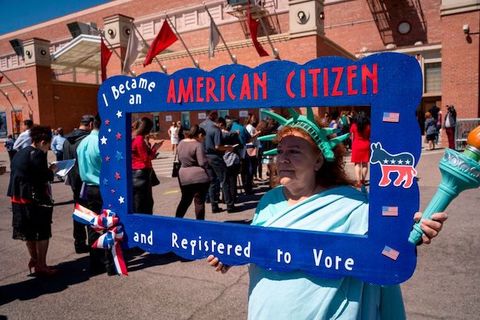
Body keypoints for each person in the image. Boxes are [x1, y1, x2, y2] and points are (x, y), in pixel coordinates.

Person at [208, 108, 447, 319]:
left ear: (318, 160)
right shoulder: (269, 201)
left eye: (294, 151)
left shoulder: (351, 205)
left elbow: (389, 249)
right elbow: (257, 246)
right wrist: (231, 254)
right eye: (280, 151)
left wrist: (415, 231)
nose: (283, 158)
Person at [7, 125, 58, 277]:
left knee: (28, 232)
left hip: (18, 197)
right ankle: (41, 264)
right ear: (43, 141)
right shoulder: (37, 154)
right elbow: (42, 177)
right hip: (33, 198)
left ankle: (34, 260)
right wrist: (52, 171)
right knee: (42, 232)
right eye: (48, 145)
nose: (48, 148)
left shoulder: (20, 152)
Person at [76, 114, 115, 275]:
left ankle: (95, 261)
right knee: (108, 224)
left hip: (87, 188)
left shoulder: (82, 143)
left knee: (93, 225)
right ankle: (108, 262)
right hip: (102, 187)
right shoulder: (102, 143)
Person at [63, 114, 94, 254]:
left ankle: (79, 242)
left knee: (79, 210)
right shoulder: (87, 139)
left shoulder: (66, 140)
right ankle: (93, 242)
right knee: (91, 211)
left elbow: (64, 162)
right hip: (86, 179)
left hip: (74, 180)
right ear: (91, 125)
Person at [200, 111, 233, 213]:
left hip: (204, 156)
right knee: (224, 180)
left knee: (212, 182)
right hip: (215, 156)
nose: (218, 116)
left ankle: (214, 206)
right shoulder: (215, 128)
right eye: (216, 114)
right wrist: (228, 148)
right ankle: (230, 206)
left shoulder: (201, 125)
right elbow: (217, 146)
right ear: (212, 115)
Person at [175, 125, 210, 219]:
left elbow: (179, 159)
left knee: (185, 200)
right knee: (199, 201)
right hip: (199, 177)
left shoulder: (181, 143)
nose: (203, 139)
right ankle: (199, 224)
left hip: (183, 176)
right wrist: (208, 160)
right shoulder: (198, 144)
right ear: (199, 134)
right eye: (203, 137)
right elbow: (202, 162)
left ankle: (177, 219)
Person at [131, 117, 163, 214]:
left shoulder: (132, 137)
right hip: (141, 174)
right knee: (146, 204)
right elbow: (145, 158)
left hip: (134, 172)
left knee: (138, 202)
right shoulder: (139, 139)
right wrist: (155, 148)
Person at [350, 111, 371, 188]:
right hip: (366, 144)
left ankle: (358, 181)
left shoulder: (354, 126)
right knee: (365, 163)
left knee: (357, 163)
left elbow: (352, 137)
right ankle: (363, 180)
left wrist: (352, 146)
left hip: (356, 145)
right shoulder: (368, 126)